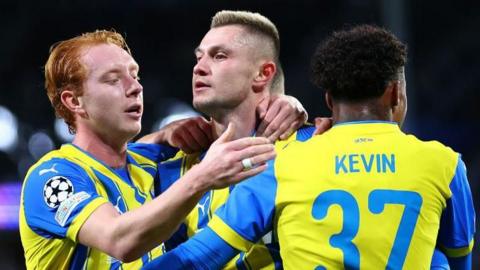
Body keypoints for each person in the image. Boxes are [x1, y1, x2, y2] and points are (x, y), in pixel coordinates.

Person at [143, 25, 475, 269]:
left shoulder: (284, 164)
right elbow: (458, 259)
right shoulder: (445, 164)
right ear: (395, 94)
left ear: (329, 100)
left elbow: (200, 255)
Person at [19, 30, 277, 269]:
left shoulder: (150, 161)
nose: (136, 88)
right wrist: (202, 178)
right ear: (74, 101)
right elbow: (120, 240)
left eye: (135, 75)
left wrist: (283, 106)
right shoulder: (53, 177)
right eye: (113, 80)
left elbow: (233, 124)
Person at [138, 10, 317, 269]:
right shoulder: (171, 166)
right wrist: (161, 136)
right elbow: (107, 163)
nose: (199, 68)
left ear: (263, 73)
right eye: (198, 58)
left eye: (219, 56)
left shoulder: (310, 147)